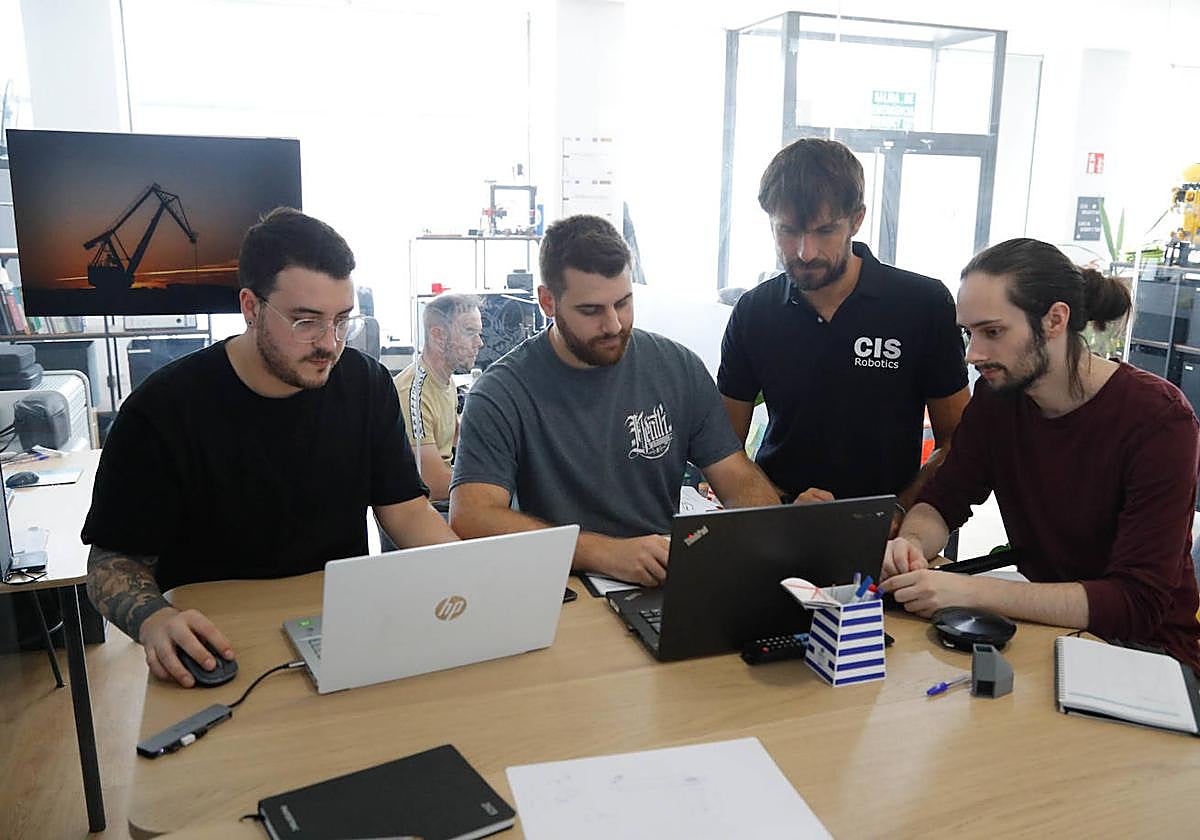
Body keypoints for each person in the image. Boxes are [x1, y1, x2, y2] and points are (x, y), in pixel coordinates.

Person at [82, 208, 457, 687]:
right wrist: (153, 619)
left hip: (340, 632)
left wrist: (471, 578)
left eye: (342, 321)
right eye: (306, 322)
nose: (330, 344)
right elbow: (112, 561)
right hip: (220, 645)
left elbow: (405, 511)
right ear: (251, 307)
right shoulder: (162, 409)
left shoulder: (365, 384)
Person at [881, 238, 1200, 671]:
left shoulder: (1159, 420)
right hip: (1051, 640)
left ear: (1055, 320)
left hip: (1148, 658)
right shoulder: (997, 401)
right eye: (968, 333)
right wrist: (912, 545)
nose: (974, 354)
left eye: (992, 332)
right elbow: (942, 501)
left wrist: (970, 592)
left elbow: (1135, 603)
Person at [449, 214, 780, 586]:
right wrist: (603, 552)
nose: (614, 325)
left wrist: (779, 533)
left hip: (660, 580)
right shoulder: (501, 393)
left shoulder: (677, 368)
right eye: (591, 310)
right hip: (561, 587)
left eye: (623, 303)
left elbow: (736, 477)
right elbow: (472, 517)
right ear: (547, 301)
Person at [718, 138, 970, 533]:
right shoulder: (754, 313)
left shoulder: (922, 305)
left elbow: (957, 441)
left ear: (856, 219)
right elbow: (724, 448)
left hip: (889, 529)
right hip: (780, 518)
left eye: (824, 231)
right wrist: (780, 509)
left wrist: (901, 511)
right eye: (788, 231)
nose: (804, 252)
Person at [394, 294, 483, 501]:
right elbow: (432, 483)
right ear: (438, 336)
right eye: (470, 332)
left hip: (444, 499)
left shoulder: (446, 381)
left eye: (478, 333)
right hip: (427, 507)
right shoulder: (413, 394)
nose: (479, 343)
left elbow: (458, 436)